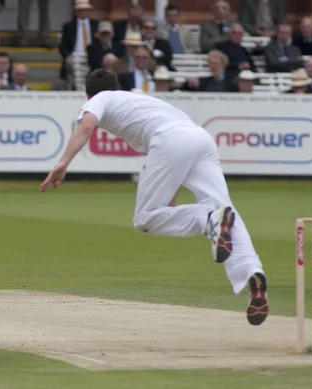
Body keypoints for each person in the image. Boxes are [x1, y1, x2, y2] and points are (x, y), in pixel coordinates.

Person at [40, 69, 269, 326]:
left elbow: (86, 126)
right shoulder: (139, 100)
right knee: (227, 210)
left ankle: (210, 219)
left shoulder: (100, 98)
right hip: (200, 139)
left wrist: (63, 163)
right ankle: (253, 272)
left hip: (171, 140)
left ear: (89, 93)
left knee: (146, 219)